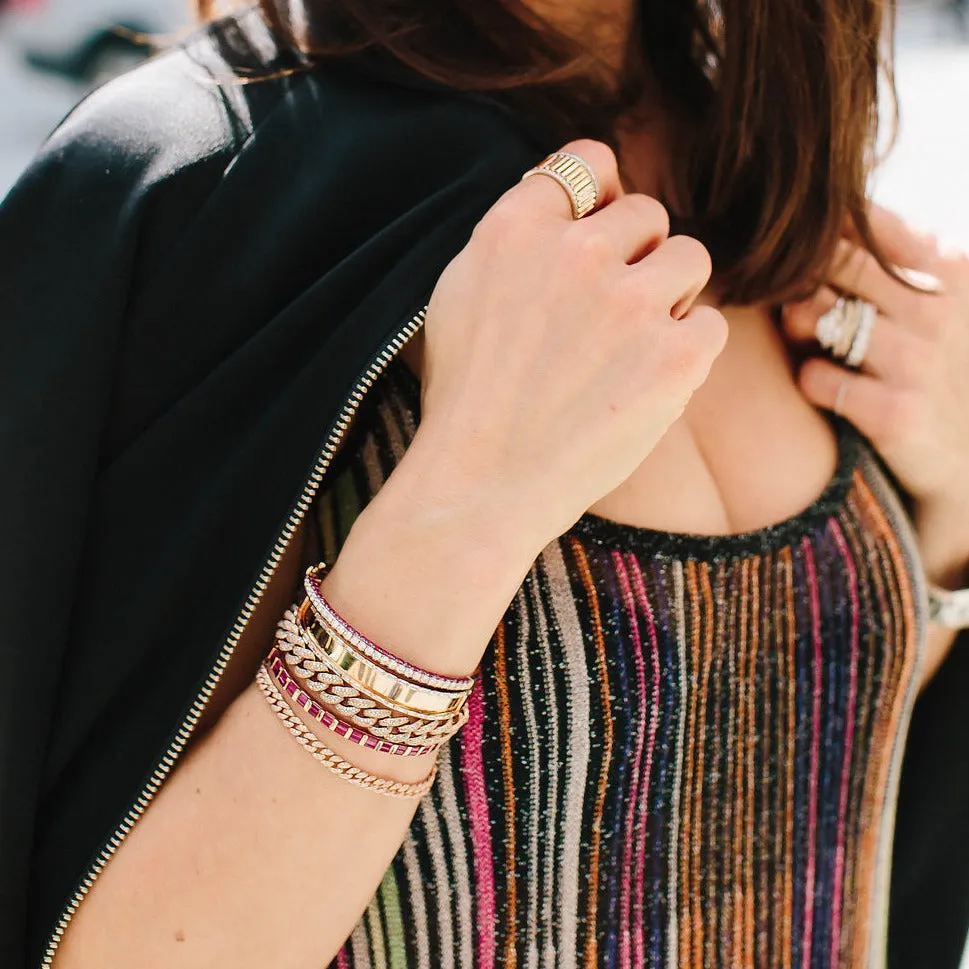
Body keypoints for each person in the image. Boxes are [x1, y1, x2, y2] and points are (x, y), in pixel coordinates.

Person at [1, 0, 968, 967]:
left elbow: (807, 792)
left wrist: (950, 517)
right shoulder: (195, 184)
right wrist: (465, 512)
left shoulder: (757, 158)